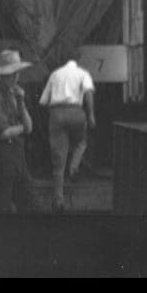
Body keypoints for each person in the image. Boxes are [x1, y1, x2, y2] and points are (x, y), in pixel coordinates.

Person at [0, 48, 38, 214]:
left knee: (30, 207)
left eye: (17, 73)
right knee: (2, 210)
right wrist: (23, 128)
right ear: (2, 75)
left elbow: (30, 126)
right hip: (3, 158)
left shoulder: (13, 96)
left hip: (18, 157)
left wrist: (21, 102)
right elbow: (4, 133)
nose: (16, 77)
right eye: (11, 74)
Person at [39, 47, 96, 214]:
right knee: (82, 141)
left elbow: (43, 101)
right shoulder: (82, 73)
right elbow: (88, 94)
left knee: (58, 162)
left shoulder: (55, 75)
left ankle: (58, 201)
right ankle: (74, 166)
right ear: (77, 59)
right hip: (76, 113)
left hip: (56, 114)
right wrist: (91, 115)